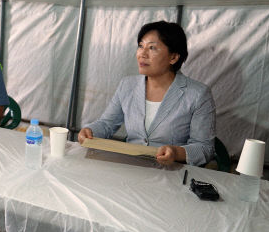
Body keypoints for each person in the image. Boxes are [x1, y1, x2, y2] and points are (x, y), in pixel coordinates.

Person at [78, 21, 216, 166]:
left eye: (152, 48)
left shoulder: (198, 94)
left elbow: (204, 148)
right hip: (130, 167)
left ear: (173, 57)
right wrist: (90, 131)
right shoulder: (127, 85)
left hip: (171, 173)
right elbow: (107, 124)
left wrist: (175, 152)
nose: (142, 54)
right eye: (140, 46)